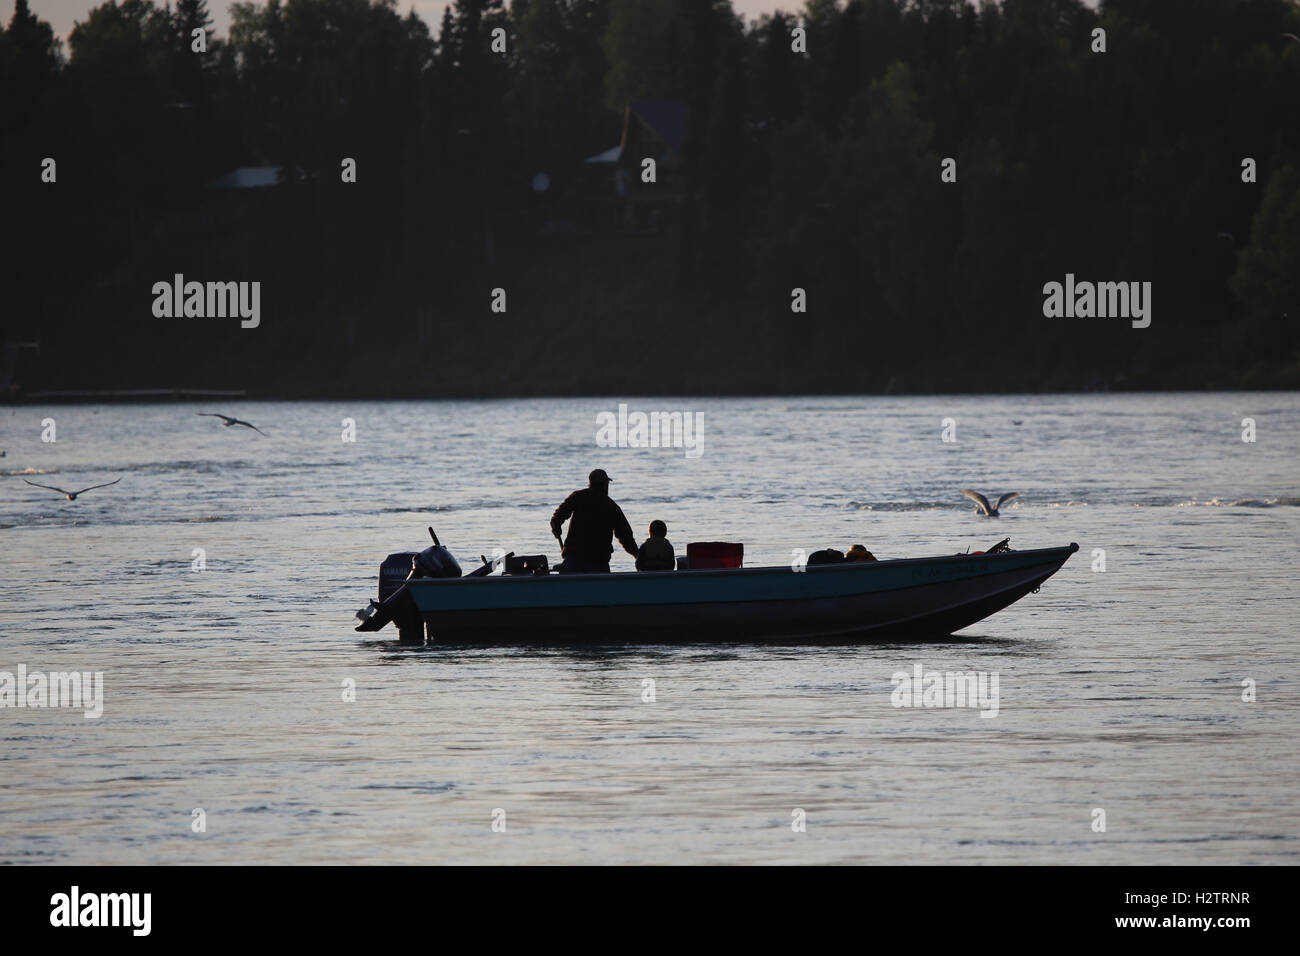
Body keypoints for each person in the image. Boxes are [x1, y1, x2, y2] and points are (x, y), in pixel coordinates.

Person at [551, 469, 639, 573]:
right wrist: (637, 555)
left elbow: (556, 519)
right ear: (605, 484)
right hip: (599, 563)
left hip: (573, 560)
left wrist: (556, 527)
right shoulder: (611, 506)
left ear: (590, 483)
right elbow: (625, 536)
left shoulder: (577, 497)